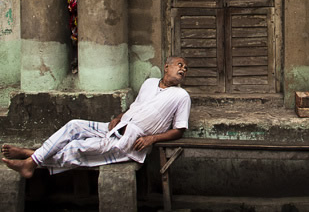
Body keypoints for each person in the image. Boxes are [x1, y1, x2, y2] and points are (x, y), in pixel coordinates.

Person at [2, 56, 191, 178]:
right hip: (116, 127)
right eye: (179, 65)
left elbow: (179, 130)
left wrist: (152, 138)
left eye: (186, 69)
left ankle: (31, 160)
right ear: (166, 67)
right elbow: (136, 106)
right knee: (74, 125)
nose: (183, 69)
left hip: (131, 140)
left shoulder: (181, 96)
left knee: (78, 148)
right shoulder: (149, 83)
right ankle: (32, 156)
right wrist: (118, 116)